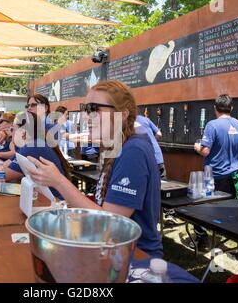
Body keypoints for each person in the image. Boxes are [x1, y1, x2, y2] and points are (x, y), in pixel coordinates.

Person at [26, 80, 163, 258]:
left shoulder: (133, 151)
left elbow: (111, 222)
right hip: (112, 250)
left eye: (94, 109)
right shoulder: (120, 146)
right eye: (85, 108)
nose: (85, 116)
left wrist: (58, 181)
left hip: (135, 257)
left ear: (122, 114)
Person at [194, 94, 238, 262]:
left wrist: (198, 147)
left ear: (215, 108)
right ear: (231, 108)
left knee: (196, 206)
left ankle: (202, 239)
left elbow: (205, 151)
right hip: (234, 177)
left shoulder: (212, 125)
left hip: (212, 175)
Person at [0, 111, 70, 200]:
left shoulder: (32, 147)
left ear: (23, 133)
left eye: (13, 129)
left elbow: (4, 174)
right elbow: (5, 165)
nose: (10, 133)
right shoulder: (28, 145)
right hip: (46, 199)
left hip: (56, 203)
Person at [134, 115, 177, 225]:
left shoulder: (122, 121)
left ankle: (153, 218)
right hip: (157, 157)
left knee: (147, 190)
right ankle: (170, 214)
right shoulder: (144, 119)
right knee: (164, 187)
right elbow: (159, 134)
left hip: (145, 159)